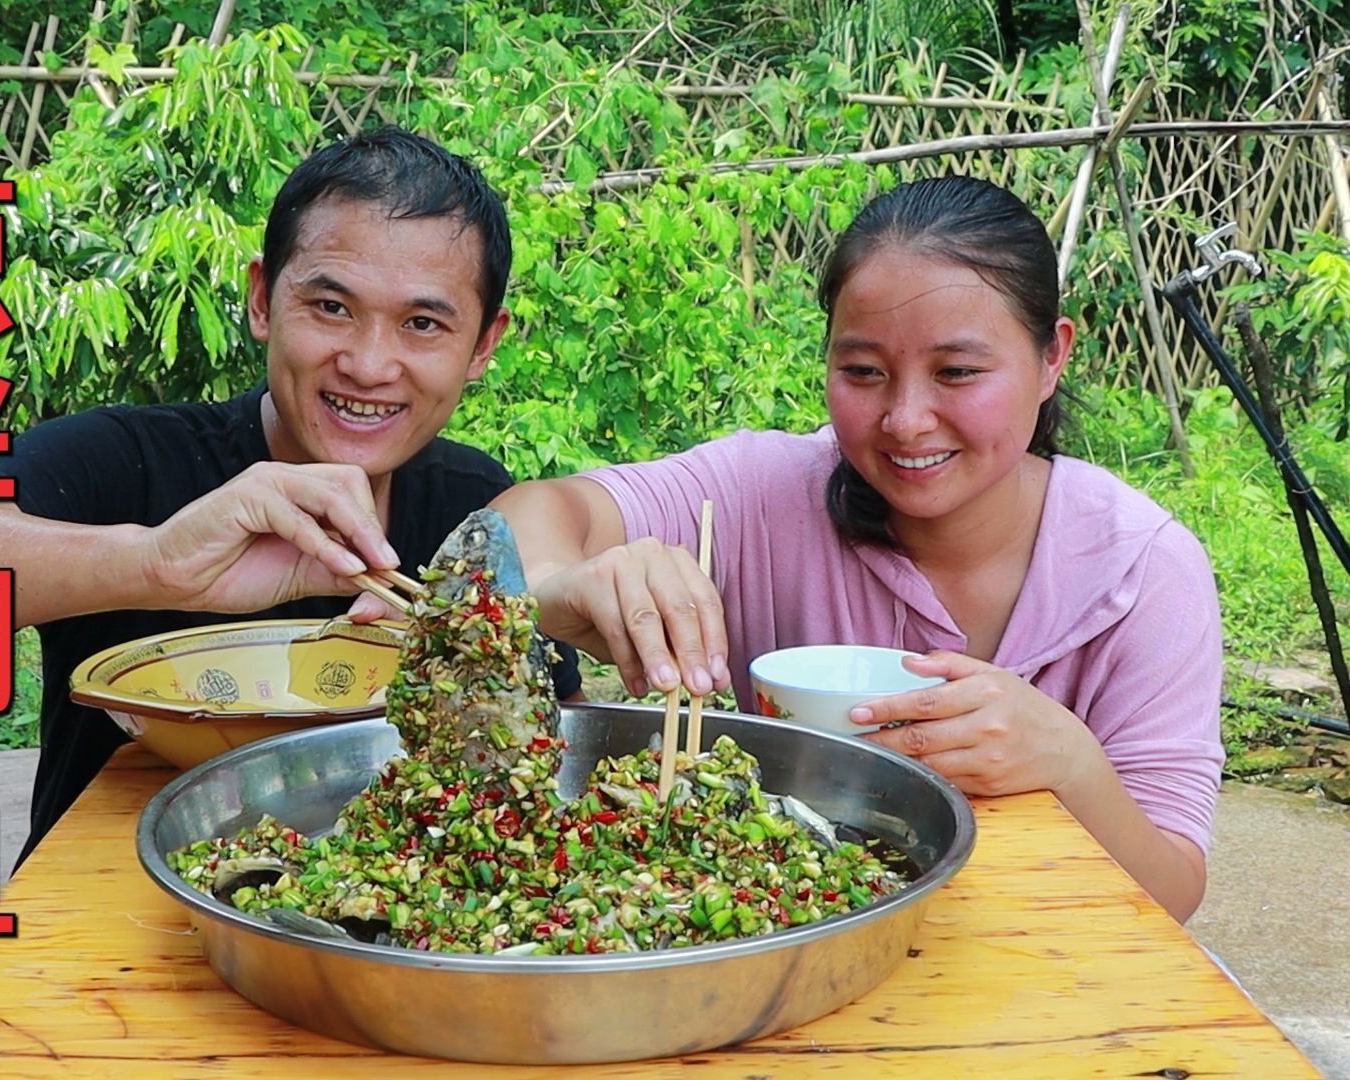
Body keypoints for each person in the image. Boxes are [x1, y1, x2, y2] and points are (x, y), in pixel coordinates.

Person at [0, 126, 580, 861]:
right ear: (262, 300)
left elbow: (549, 750)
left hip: (388, 940)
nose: (369, 363)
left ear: (483, 345)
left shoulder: (484, 514)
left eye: (421, 324)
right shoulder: (128, 460)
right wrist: (153, 562)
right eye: (331, 307)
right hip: (102, 927)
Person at [492, 175, 1223, 922]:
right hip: (782, 951)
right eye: (863, 372)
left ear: (1051, 358)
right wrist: (559, 579)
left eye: (958, 372)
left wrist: (1070, 762)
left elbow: (1170, 891)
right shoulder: (762, 497)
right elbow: (537, 509)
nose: (905, 420)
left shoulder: (1143, 572)